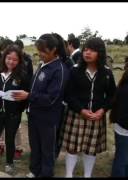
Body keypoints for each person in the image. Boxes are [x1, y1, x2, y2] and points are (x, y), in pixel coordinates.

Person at [61, 38, 116, 178]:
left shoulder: (107, 72)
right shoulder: (74, 70)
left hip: (96, 116)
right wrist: (81, 110)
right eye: (85, 49)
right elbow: (68, 95)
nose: (87, 53)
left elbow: (111, 96)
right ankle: (69, 174)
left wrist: (102, 111)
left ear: (100, 53)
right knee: (72, 148)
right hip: (76, 115)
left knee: (90, 150)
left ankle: (87, 175)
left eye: (92, 50)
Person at [24, 33, 70, 177]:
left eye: (44, 51)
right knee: (35, 145)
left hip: (48, 118)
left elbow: (51, 98)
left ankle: (46, 174)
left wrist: (29, 96)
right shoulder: (42, 65)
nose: (40, 54)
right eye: (39, 50)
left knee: (47, 149)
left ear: (54, 49)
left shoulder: (59, 69)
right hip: (33, 114)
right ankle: (34, 170)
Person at [0, 45, 30, 175]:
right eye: (9, 58)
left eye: (15, 60)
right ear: (4, 58)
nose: (11, 62)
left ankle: (9, 163)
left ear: (19, 61)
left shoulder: (22, 76)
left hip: (13, 115)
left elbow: (27, 95)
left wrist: (21, 102)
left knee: (10, 140)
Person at [110, 69, 128, 177]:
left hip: (122, 127)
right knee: (122, 160)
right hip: (124, 129)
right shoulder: (125, 89)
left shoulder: (124, 85)